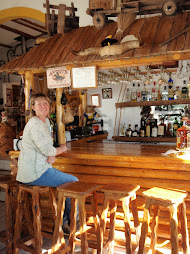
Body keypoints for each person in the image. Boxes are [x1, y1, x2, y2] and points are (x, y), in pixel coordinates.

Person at [17, 93, 78, 234]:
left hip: (38, 169)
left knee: (69, 183)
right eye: (39, 104)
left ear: (49, 106)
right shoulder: (35, 124)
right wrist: (60, 149)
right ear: (33, 107)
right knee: (74, 182)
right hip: (35, 173)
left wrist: (51, 154)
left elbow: (45, 149)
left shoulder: (44, 122)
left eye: (45, 104)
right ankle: (67, 223)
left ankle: (63, 223)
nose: (43, 106)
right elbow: (47, 149)